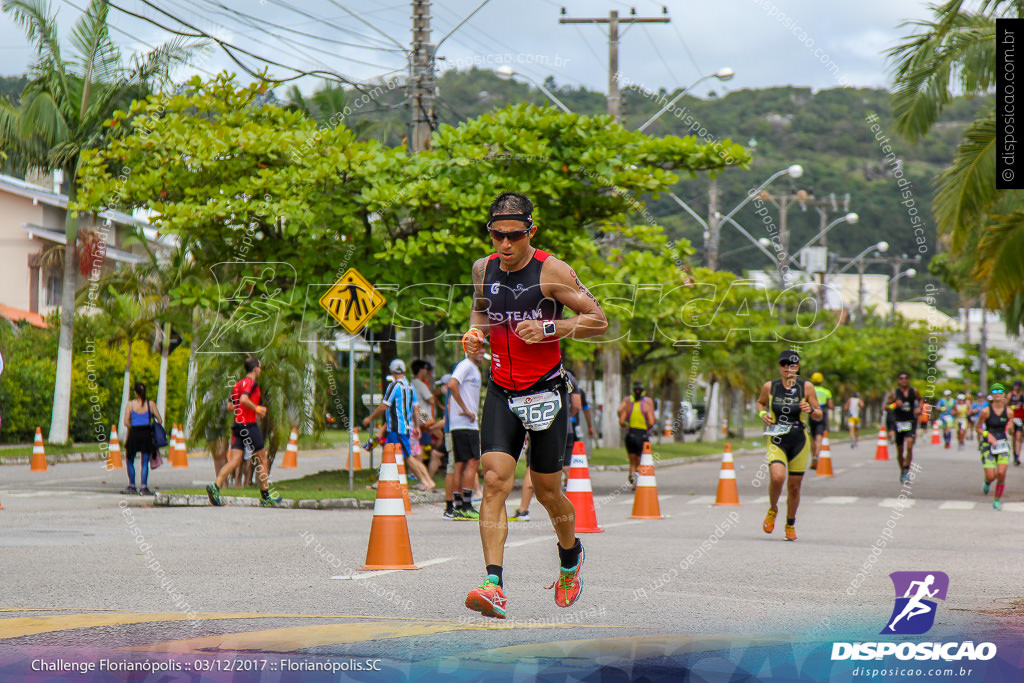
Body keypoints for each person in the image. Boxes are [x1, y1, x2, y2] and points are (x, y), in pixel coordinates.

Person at [461, 192, 607, 619]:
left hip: (545, 391)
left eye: (514, 236)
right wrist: (474, 337)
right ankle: (493, 585)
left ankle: (570, 556)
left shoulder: (552, 270)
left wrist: (550, 327)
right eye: (497, 235)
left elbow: (597, 320)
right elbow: (480, 312)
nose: (505, 245)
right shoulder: (482, 268)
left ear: (531, 232)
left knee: (547, 492)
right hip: (502, 391)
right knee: (494, 480)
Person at [757, 349, 822, 542]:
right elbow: (760, 403)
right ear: (779, 366)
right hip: (777, 438)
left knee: (794, 486)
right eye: (784, 364)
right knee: (777, 477)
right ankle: (773, 508)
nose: (788, 368)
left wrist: (811, 409)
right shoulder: (770, 387)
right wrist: (762, 415)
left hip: (799, 439)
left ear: (798, 367)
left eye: (792, 364)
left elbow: (819, 414)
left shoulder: (806, 387)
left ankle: (790, 524)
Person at [206, 357, 282, 507]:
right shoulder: (251, 383)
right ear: (255, 368)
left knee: (235, 461)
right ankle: (266, 496)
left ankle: (215, 486)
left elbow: (230, 405)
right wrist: (257, 409)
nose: (260, 370)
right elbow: (244, 399)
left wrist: (248, 409)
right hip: (249, 425)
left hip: (238, 425)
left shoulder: (238, 384)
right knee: (262, 459)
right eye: (260, 367)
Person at [362, 359, 433, 491]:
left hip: (397, 429)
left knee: (408, 457)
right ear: (404, 370)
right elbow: (416, 408)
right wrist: (417, 426)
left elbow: (384, 406)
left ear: (391, 371)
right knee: (389, 454)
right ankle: (379, 482)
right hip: (404, 427)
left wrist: (370, 418)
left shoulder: (394, 386)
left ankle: (425, 481)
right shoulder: (410, 387)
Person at [448, 351, 484, 521]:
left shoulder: (473, 368)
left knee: (461, 464)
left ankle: (458, 505)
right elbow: (452, 384)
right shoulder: (466, 365)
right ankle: (467, 506)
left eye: (484, 347)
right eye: (479, 348)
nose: (483, 351)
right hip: (465, 422)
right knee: (473, 461)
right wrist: (465, 408)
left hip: (463, 423)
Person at [976, 383, 1016, 511]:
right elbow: (978, 428)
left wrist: (1010, 428)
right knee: (991, 476)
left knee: (1001, 473)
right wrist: (988, 435)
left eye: (1000, 391)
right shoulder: (986, 411)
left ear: (1004, 395)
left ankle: (996, 500)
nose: (997, 393)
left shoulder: (1009, 412)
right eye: (994, 391)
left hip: (1003, 445)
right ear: (991, 395)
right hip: (988, 445)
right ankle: (987, 482)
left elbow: (1011, 430)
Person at [122, 382, 162, 496]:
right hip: (146, 434)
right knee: (144, 462)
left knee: (130, 459)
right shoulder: (151, 404)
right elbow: (160, 420)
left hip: (134, 434)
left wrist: (133, 426)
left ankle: (132, 485)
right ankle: (144, 486)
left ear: (135, 392)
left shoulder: (130, 405)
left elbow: (126, 422)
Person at [617, 381, 656, 489]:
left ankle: (632, 476)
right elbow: (652, 422)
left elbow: (621, 421)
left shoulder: (628, 406)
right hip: (642, 435)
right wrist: (647, 429)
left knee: (632, 460)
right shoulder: (647, 406)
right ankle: (638, 477)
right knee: (640, 459)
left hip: (631, 434)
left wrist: (627, 426)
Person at [886, 372, 922, 483]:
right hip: (899, 423)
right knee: (900, 450)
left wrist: (920, 408)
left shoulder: (914, 391)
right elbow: (886, 407)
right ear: (898, 380)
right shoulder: (894, 393)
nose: (904, 380)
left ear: (908, 380)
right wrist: (895, 405)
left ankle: (907, 470)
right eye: (901, 378)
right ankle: (903, 471)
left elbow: (921, 400)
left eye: (906, 378)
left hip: (910, 421)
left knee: (910, 446)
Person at [808, 372, 833, 469]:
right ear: (821, 381)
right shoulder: (826, 392)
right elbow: (830, 406)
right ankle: (817, 456)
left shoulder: (810, 390)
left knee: (813, 437)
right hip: (821, 416)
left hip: (811, 415)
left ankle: (813, 456)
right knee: (819, 436)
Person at [1009, 380, 1024, 466]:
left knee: (1019, 437)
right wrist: (1014, 407)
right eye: (1015, 385)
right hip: (1012, 419)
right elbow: (1006, 406)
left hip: (1020, 419)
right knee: (1013, 438)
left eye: (1018, 386)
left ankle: (1017, 456)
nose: (1017, 387)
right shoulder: (1010, 395)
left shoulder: (1022, 395)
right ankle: (1014, 454)